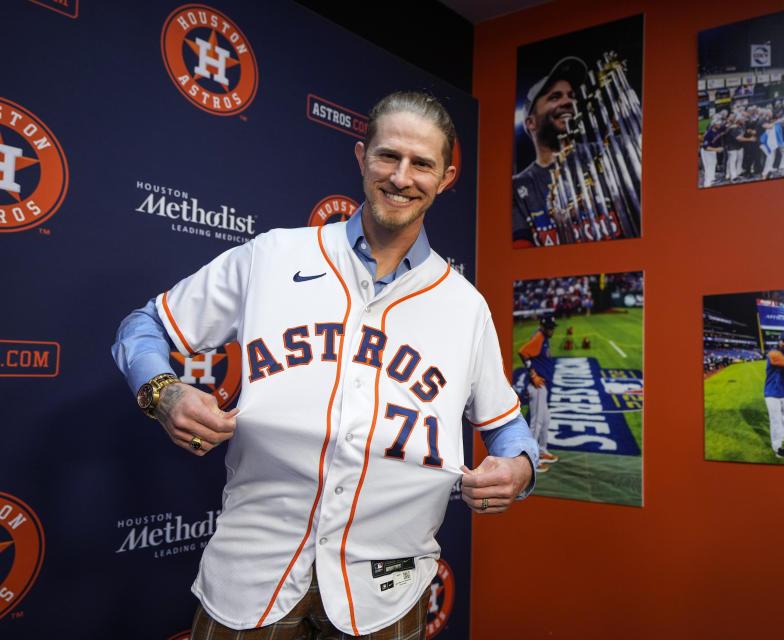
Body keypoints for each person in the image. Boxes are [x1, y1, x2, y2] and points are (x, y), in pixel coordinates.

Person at [112, 91, 539, 639]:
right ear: (361, 157)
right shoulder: (272, 256)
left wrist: (519, 470)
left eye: (423, 164)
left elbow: (507, 426)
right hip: (255, 572)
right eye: (388, 156)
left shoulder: (465, 305)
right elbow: (144, 325)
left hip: (389, 586)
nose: (402, 177)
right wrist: (164, 391)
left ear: (447, 176)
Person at [511, 57, 587, 248]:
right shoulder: (519, 186)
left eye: (571, 95)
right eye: (555, 97)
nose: (568, 101)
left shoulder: (606, 153)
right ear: (531, 122)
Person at [518, 315, 559, 471]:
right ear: (543, 326)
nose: (551, 330)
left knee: (546, 420)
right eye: (549, 327)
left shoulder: (542, 336)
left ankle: (541, 451)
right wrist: (533, 374)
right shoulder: (539, 337)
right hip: (537, 386)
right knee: (537, 423)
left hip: (542, 385)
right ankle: (530, 460)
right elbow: (522, 352)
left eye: (552, 327)